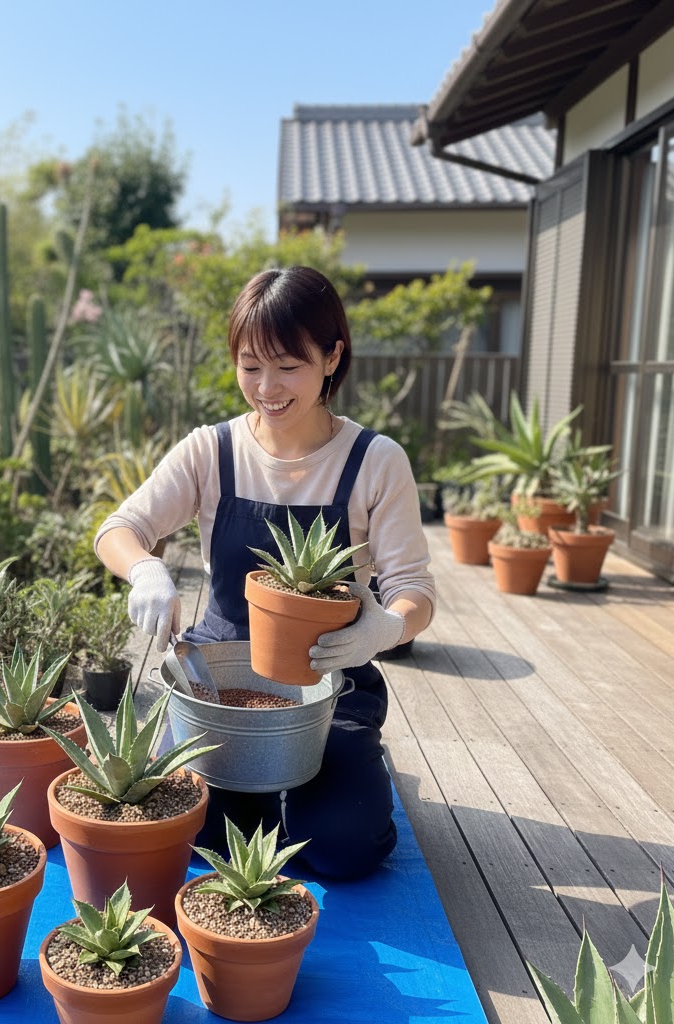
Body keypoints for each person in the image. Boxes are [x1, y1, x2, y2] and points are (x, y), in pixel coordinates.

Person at [94, 265, 435, 880]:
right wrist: (144, 569)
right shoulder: (211, 450)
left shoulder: (376, 461)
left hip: (331, 682)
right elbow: (118, 529)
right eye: (250, 367)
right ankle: (270, 803)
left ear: (332, 357)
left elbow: (415, 591)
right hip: (217, 683)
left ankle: (335, 783)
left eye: (288, 366)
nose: (267, 387)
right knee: (192, 830)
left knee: (342, 846)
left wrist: (384, 628)